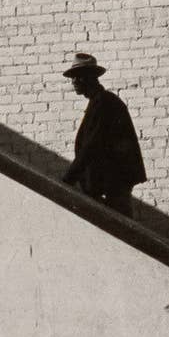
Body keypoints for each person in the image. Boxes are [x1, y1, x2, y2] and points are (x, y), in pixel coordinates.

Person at [61, 52, 146, 218]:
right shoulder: (100, 102)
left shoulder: (104, 104)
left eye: (79, 77)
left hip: (112, 185)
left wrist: (68, 179)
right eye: (73, 78)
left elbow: (91, 145)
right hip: (110, 184)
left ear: (91, 78)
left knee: (120, 230)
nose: (74, 82)